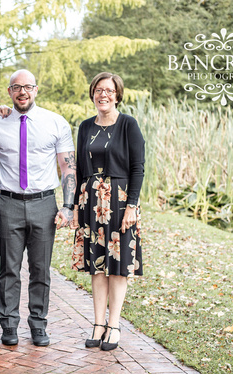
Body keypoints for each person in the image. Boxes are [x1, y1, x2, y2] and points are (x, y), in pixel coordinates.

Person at [0, 69, 76, 347]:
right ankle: (9, 325)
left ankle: (38, 325)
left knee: (41, 270)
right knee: (9, 269)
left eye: (27, 86)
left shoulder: (55, 123)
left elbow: (67, 167)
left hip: (44, 205)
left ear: (36, 89)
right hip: (9, 204)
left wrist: (69, 206)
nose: (22, 92)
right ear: (9, 91)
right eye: (16, 87)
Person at [70, 72, 145, 351]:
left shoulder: (128, 125)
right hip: (91, 203)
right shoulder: (86, 127)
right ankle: (98, 324)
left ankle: (114, 325)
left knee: (118, 265)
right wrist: (77, 206)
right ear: (92, 94)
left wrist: (132, 206)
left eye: (109, 91)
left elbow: (138, 168)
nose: (104, 95)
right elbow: (79, 169)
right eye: (99, 90)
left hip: (120, 201)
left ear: (118, 94)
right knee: (97, 266)